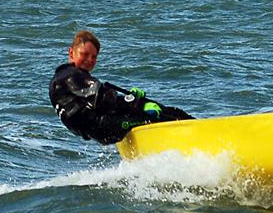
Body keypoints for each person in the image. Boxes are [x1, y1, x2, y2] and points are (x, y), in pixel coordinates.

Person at [49, 30, 193, 145]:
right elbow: (104, 99)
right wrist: (136, 103)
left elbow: (98, 103)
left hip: (98, 129)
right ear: (71, 52)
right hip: (103, 126)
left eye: (94, 57)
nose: (89, 60)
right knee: (161, 116)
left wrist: (132, 100)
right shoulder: (71, 75)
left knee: (161, 110)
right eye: (84, 54)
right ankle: (194, 137)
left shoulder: (61, 77)